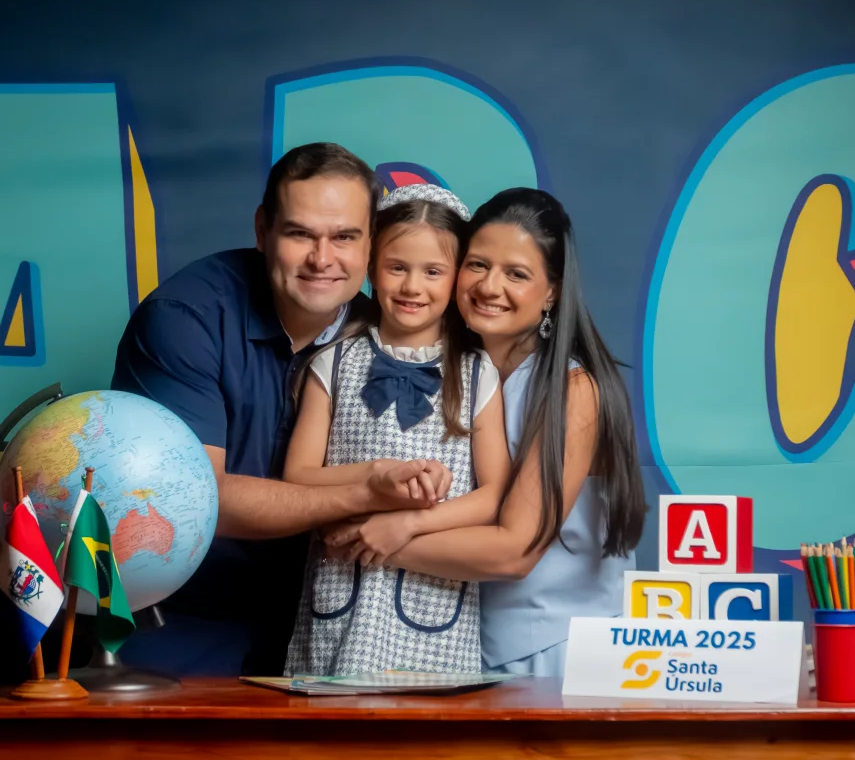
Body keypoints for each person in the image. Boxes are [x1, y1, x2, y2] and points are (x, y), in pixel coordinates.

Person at [109, 142, 454, 676]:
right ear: (262, 230)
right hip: (176, 615)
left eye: (344, 237)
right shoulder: (185, 319)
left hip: (324, 621)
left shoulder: (389, 339)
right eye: (300, 234)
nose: (322, 258)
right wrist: (365, 492)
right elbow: (195, 500)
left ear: (371, 243)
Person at [324, 186, 648, 677]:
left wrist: (373, 537)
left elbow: (515, 552)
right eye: (477, 265)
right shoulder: (446, 371)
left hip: (554, 651)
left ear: (553, 291)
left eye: (517, 274)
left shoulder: (571, 389)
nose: (490, 287)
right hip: (457, 643)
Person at [280, 184, 511, 676]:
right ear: (371, 268)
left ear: (456, 278)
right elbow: (297, 478)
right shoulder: (332, 364)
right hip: (340, 592)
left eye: (433, 271)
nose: (412, 287)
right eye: (397, 267)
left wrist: (411, 523)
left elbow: (494, 496)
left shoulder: (477, 374)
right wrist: (378, 476)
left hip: (433, 603)